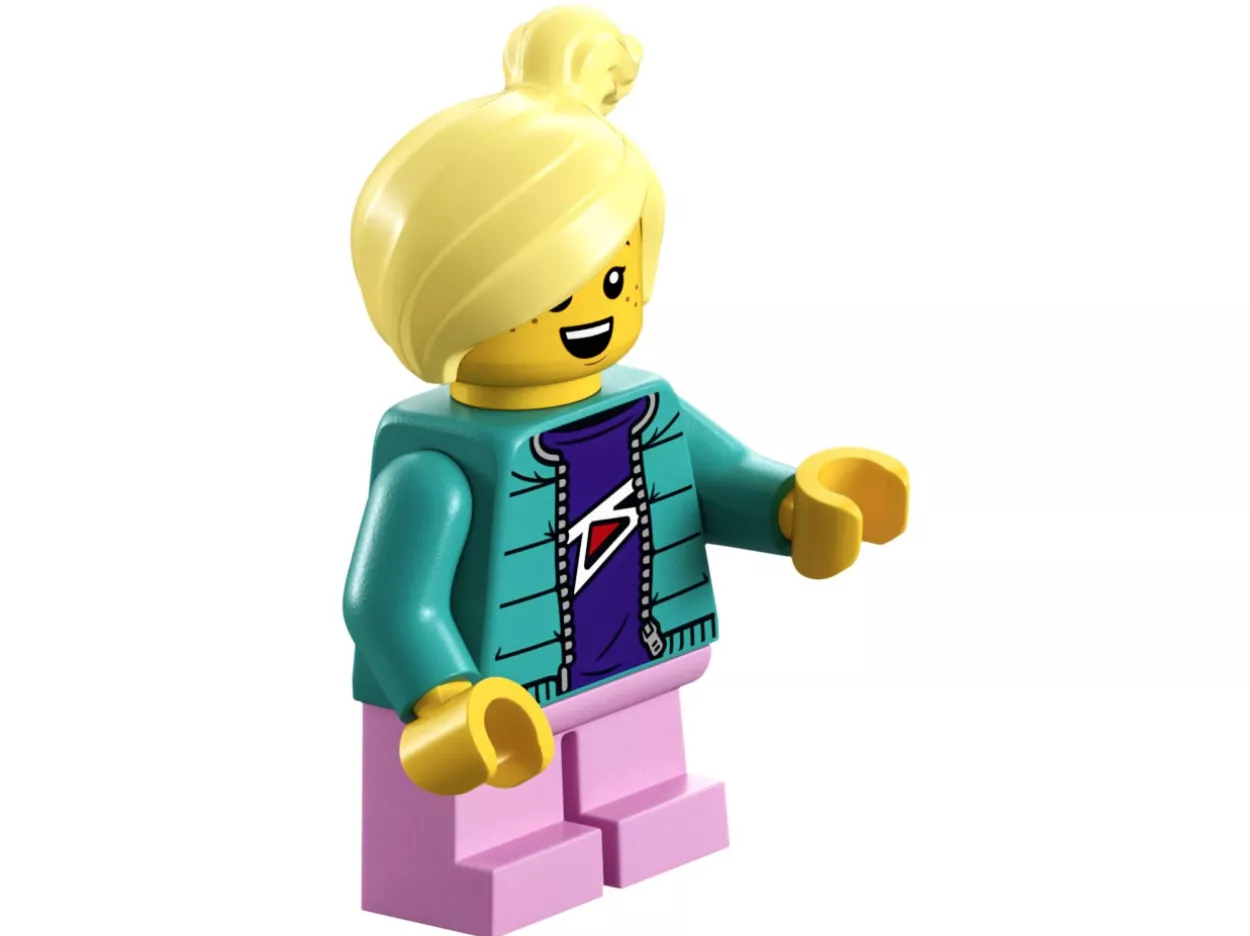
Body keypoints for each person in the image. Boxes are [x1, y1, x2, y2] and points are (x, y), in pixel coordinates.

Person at [344, 7, 909, 934]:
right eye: (543, 297)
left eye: (613, 280)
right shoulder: (437, 458)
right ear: (443, 302)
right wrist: (441, 693)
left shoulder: (643, 406)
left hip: (631, 653)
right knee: (500, 828)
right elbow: (388, 600)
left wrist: (794, 507)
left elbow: (713, 483)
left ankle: (638, 807)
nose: (590, 314)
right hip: (495, 709)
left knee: (638, 770)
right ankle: (490, 858)